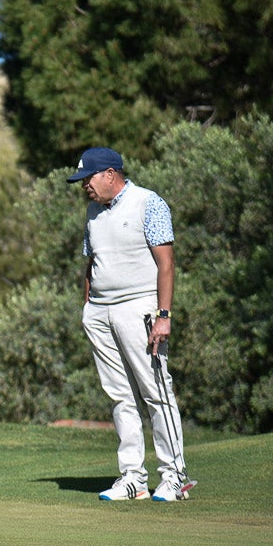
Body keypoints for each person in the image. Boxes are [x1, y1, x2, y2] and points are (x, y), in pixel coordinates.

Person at [67, 147, 194, 502]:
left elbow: (166, 264)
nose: (84, 187)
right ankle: (133, 478)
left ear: (110, 174)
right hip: (100, 313)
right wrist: (89, 307)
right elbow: (92, 262)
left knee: (156, 391)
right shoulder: (93, 211)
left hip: (139, 309)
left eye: (88, 179)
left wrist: (164, 316)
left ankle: (175, 477)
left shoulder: (148, 203)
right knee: (119, 395)